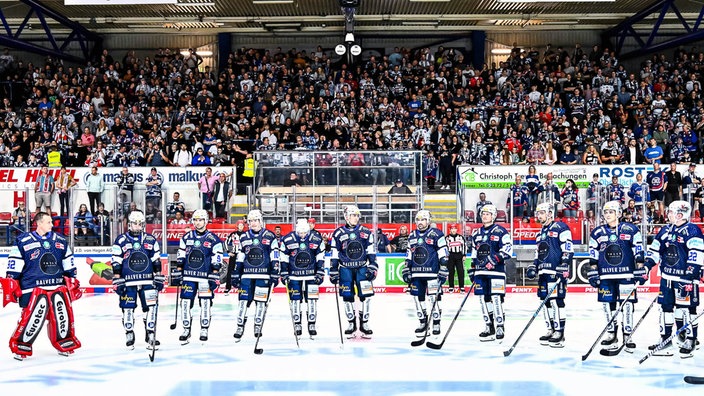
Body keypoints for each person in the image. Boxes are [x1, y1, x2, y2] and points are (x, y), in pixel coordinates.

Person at [0, 211, 81, 360]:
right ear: (39, 223)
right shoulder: (22, 241)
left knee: (61, 317)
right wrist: (12, 282)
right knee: (31, 319)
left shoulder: (61, 241)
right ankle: (21, 347)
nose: (52, 224)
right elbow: (14, 264)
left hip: (57, 286)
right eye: (48, 222)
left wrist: (72, 278)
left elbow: (68, 262)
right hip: (31, 287)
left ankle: (63, 343)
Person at [645, 200, 704, 357]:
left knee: (687, 309)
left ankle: (691, 339)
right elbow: (655, 249)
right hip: (667, 277)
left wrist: (692, 271)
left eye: (670, 212)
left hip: (685, 279)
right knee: (665, 308)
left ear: (680, 214)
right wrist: (647, 265)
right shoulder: (665, 230)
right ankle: (665, 340)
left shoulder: (692, 230)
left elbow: (696, 252)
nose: (668, 214)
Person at [587, 200, 645, 352]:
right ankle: (612, 332)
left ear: (619, 213)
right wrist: (593, 270)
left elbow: (638, 249)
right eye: (605, 212)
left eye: (611, 212)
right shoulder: (597, 232)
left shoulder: (631, 229)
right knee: (607, 305)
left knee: (627, 305)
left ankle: (627, 334)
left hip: (626, 273)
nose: (607, 215)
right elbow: (593, 252)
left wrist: (640, 267)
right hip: (605, 274)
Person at [110, 210, 164, 349]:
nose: (137, 226)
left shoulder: (150, 240)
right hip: (128, 280)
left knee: (151, 308)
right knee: (127, 308)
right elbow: (116, 261)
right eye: (135, 223)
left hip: (148, 280)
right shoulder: (121, 240)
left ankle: (150, 333)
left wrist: (158, 275)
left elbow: (156, 260)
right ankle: (129, 332)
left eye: (140, 224)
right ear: (129, 224)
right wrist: (117, 279)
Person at [525, 203, 574, 347]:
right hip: (543, 272)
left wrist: (564, 264)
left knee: (556, 301)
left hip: (555, 271)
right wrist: (534, 265)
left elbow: (568, 248)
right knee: (544, 302)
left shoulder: (561, 227)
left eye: (542, 212)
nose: (539, 215)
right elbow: (538, 253)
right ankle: (550, 329)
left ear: (550, 213)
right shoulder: (539, 234)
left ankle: (559, 332)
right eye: (538, 213)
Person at [172, 209, 224, 343]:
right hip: (189, 275)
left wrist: (215, 272)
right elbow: (181, 254)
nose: (197, 222)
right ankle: (186, 328)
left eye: (200, 220)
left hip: (205, 276)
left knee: (205, 303)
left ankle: (204, 328)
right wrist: (178, 269)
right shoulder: (186, 237)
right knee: (185, 302)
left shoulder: (213, 239)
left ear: (206, 221)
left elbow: (217, 257)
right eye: (195, 220)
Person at [330, 205, 378, 338]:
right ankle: (351, 323)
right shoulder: (338, 233)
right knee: (347, 296)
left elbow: (371, 250)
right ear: (346, 216)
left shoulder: (366, 232)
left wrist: (373, 266)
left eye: (357, 215)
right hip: (345, 268)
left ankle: (364, 323)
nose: (356, 218)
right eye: (353, 215)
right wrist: (333, 269)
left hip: (362, 267)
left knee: (366, 296)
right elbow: (335, 252)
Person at [232, 210, 280, 341]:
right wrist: (236, 272)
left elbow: (275, 255)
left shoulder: (270, 236)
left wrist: (275, 272)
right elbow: (240, 256)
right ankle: (240, 325)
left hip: (263, 275)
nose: (253, 223)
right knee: (243, 301)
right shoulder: (244, 237)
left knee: (260, 302)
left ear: (260, 221)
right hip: (247, 275)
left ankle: (258, 326)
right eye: (250, 221)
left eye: (255, 220)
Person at [468, 204, 513, 341]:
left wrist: (495, 259)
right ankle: (489, 325)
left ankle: (500, 325)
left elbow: (508, 250)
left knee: (496, 298)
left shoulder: (501, 231)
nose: (484, 216)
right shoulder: (476, 233)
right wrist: (473, 268)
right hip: (480, 272)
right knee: (483, 299)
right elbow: (474, 253)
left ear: (493, 216)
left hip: (496, 271)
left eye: (487, 214)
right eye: (483, 214)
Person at [402, 210, 449, 336]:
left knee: (434, 298)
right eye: (418, 220)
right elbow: (409, 254)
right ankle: (423, 321)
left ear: (428, 221)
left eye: (423, 220)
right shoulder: (412, 236)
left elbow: (443, 252)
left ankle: (436, 322)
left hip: (432, 273)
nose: (420, 222)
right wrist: (407, 268)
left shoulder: (436, 234)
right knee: (418, 298)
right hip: (416, 273)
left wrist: (443, 267)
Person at [280, 219, 326, 337]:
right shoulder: (288, 239)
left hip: (311, 274)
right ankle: (297, 323)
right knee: (295, 300)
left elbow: (320, 255)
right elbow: (283, 256)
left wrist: (320, 271)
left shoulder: (316, 238)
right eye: (300, 233)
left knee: (312, 299)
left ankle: (311, 323)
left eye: (305, 233)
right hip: (294, 275)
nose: (302, 235)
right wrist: (284, 272)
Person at [224, 219, 246, 295]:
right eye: (240, 225)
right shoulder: (233, 234)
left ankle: (241, 287)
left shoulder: (246, 235)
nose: (241, 227)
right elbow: (226, 242)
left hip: (242, 255)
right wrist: (228, 252)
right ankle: (227, 288)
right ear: (237, 226)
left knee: (242, 271)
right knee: (230, 271)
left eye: (242, 225)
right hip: (234, 255)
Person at [445, 223, 467, 293]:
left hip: (459, 255)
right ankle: (451, 286)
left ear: (457, 229)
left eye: (455, 228)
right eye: (452, 229)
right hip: (450, 256)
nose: (453, 230)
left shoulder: (460, 237)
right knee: (451, 271)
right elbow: (445, 248)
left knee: (460, 271)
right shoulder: (447, 238)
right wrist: (446, 256)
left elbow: (464, 246)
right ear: (450, 230)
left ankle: (462, 287)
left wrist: (464, 255)